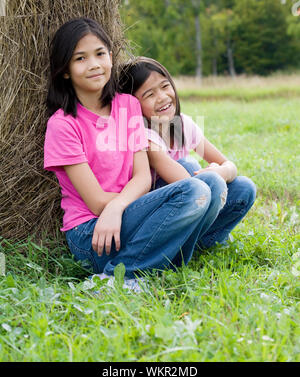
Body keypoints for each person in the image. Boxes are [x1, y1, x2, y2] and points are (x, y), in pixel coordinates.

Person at [43, 18, 227, 287]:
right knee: (193, 190)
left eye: (100, 54)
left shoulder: (126, 105)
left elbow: (142, 177)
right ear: (66, 70)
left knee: (210, 182)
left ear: (110, 57)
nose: (94, 64)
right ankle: (118, 276)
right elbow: (95, 202)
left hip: (124, 213)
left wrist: (121, 206)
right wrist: (129, 208)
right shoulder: (63, 125)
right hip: (92, 233)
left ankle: (160, 263)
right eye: (80, 58)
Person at [119, 57, 256, 250]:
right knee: (189, 165)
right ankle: (175, 245)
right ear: (134, 105)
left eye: (165, 86)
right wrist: (213, 177)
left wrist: (221, 172)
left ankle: (203, 241)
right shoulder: (145, 137)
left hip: (193, 202)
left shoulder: (182, 124)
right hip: (162, 215)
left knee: (244, 187)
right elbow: (191, 185)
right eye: (149, 94)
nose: (162, 97)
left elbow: (229, 165)